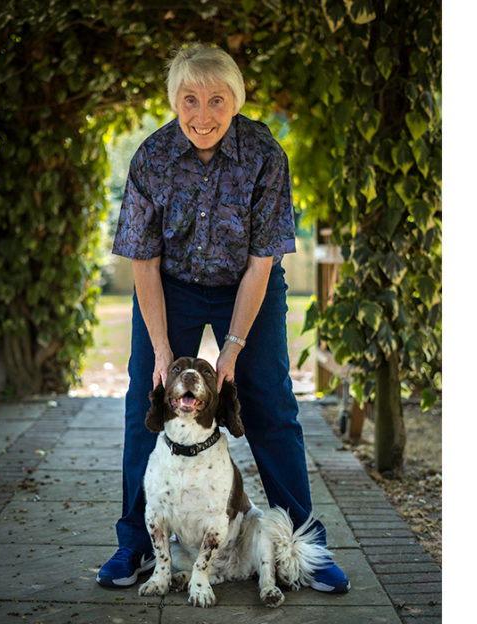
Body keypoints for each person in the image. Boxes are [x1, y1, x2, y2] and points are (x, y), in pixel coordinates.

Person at [96, 42, 349, 594]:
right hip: (173, 287)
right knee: (152, 396)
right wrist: (162, 351)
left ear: (235, 101)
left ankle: (303, 544)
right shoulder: (152, 157)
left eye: (216, 100)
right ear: (174, 102)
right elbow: (144, 261)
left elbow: (263, 263)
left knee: (270, 403)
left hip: (247, 284)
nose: (202, 114)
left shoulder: (264, 154)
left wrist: (232, 350)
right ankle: (135, 545)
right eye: (189, 99)